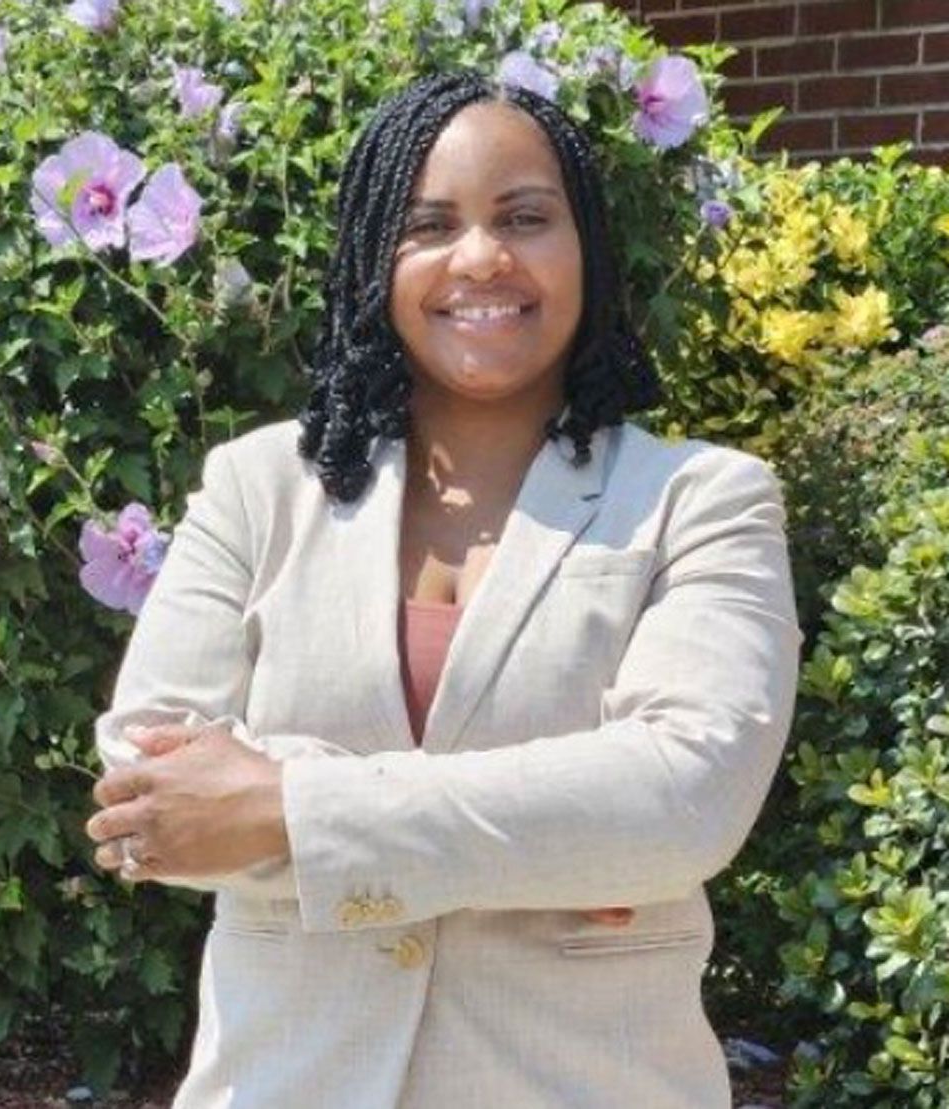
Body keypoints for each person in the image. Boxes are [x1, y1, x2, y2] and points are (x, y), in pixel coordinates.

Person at [85, 69, 803, 1108]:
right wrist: (557, 840)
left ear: (586, 250)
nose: (481, 257)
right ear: (377, 258)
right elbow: (149, 781)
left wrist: (284, 804)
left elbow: (682, 798)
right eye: (429, 224)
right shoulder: (256, 488)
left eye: (525, 217)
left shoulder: (700, 499)